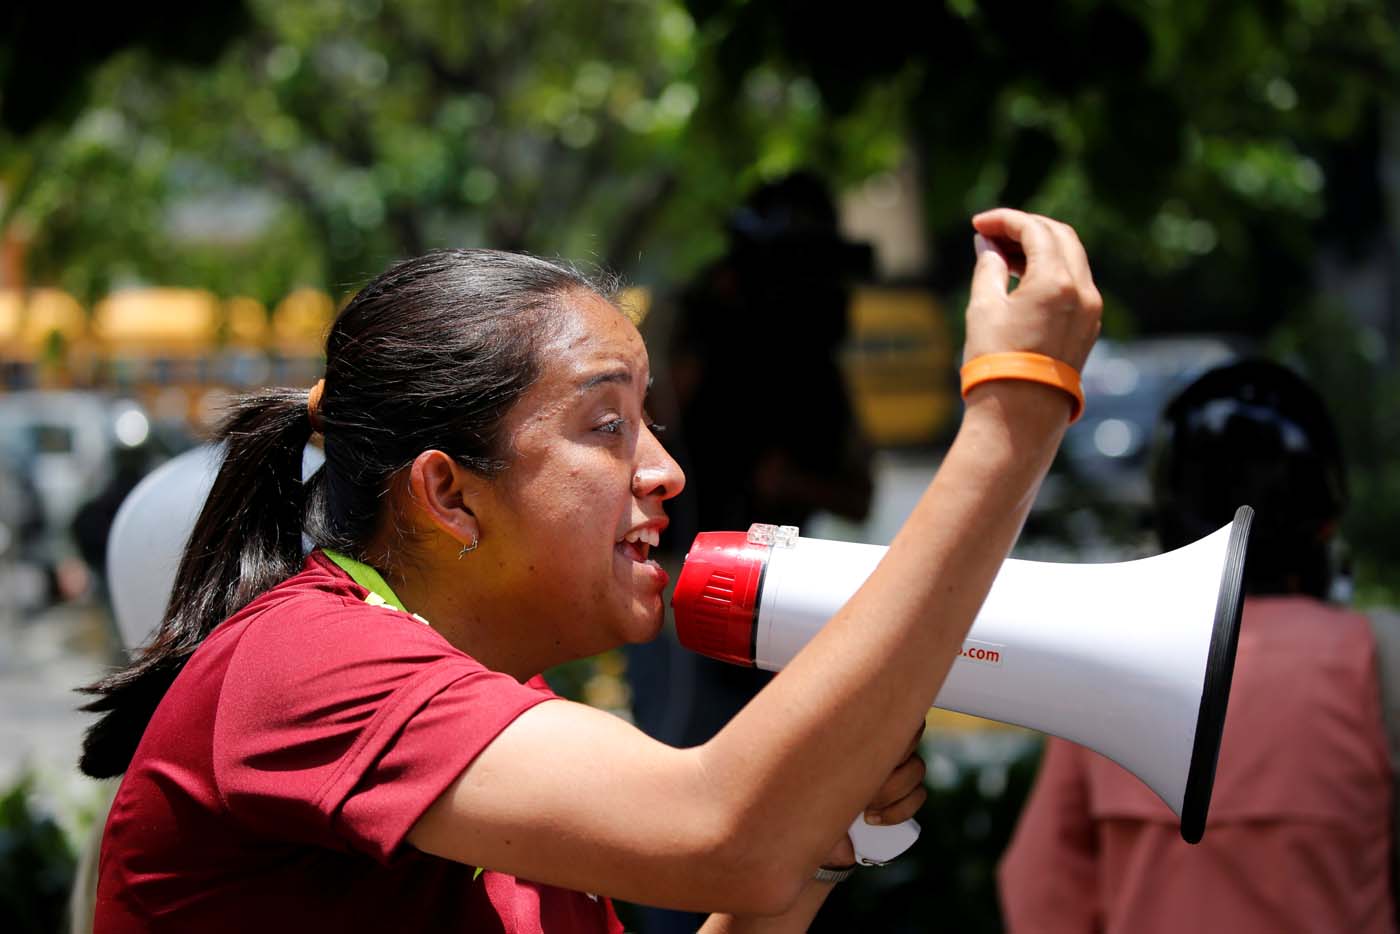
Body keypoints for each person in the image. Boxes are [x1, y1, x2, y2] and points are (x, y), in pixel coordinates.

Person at [80, 209, 1101, 933]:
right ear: (445, 494)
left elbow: (732, 843)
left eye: (650, 420)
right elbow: (718, 831)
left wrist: (810, 853)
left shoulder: (496, 706)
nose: (664, 470)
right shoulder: (305, 663)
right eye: (605, 426)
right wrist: (1014, 414)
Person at [998, 359, 1395, 934]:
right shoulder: (1376, 661)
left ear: (1167, 518)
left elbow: (1041, 891)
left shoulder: (1109, 663)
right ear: (1324, 525)